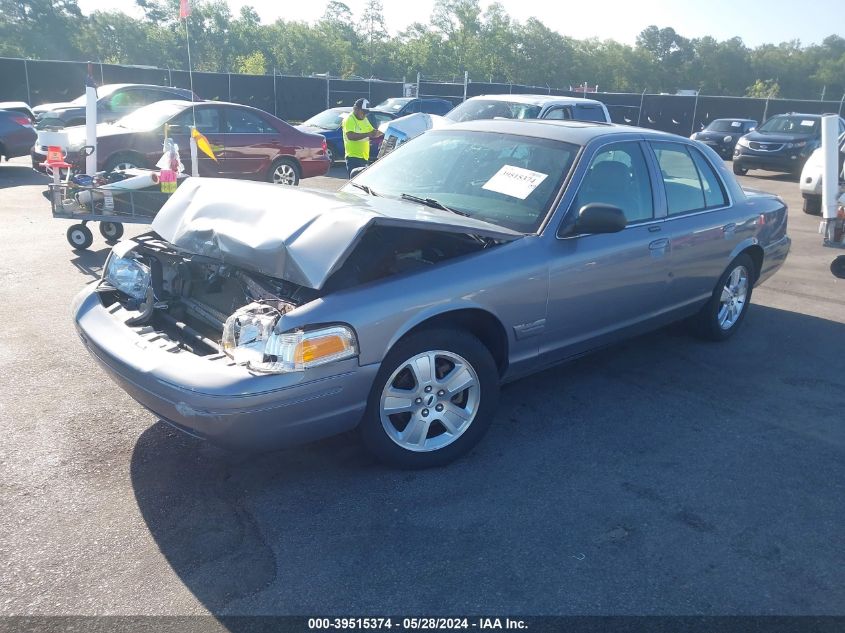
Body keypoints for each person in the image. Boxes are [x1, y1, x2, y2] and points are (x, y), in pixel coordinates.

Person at [342, 98, 382, 177]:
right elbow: (350, 136)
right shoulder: (349, 119)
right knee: (355, 184)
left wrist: (383, 131)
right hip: (353, 158)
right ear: (356, 109)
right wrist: (368, 134)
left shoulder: (364, 119)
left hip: (364, 157)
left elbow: (373, 132)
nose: (364, 114)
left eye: (366, 113)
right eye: (363, 112)